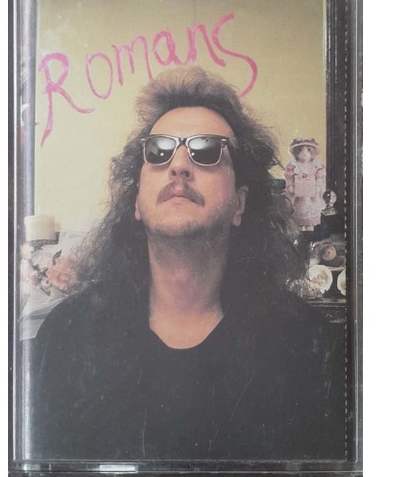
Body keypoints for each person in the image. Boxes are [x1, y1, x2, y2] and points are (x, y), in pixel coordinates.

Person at [29, 67, 346, 462]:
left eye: (207, 150)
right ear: (136, 201)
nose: (178, 166)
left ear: (240, 204)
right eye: (158, 151)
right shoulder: (67, 336)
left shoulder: (307, 346)